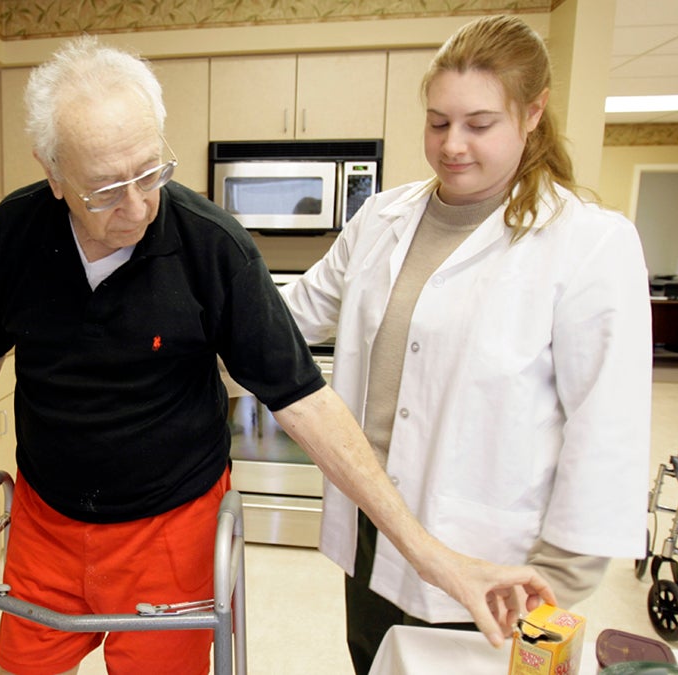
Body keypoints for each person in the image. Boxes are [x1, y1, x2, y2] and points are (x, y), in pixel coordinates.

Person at [0, 36, 553, 675]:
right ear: (52, 175)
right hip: (46, 522)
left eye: (152, 172)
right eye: (107, 189)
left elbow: (307, 405)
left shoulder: (213, 247)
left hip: (170, 527)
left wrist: (434, 557)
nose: (139, 206)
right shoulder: (16, 232)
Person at [279, 15, 652, 674]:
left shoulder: (590, 243)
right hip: (376, 534)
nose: (452, 144)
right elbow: (293, 318)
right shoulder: (382, 218)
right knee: (375, 661)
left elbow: (607, 436)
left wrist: (551, 598)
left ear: (532, 113)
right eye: (437, 121)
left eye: (479, 124)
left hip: (499, 567)